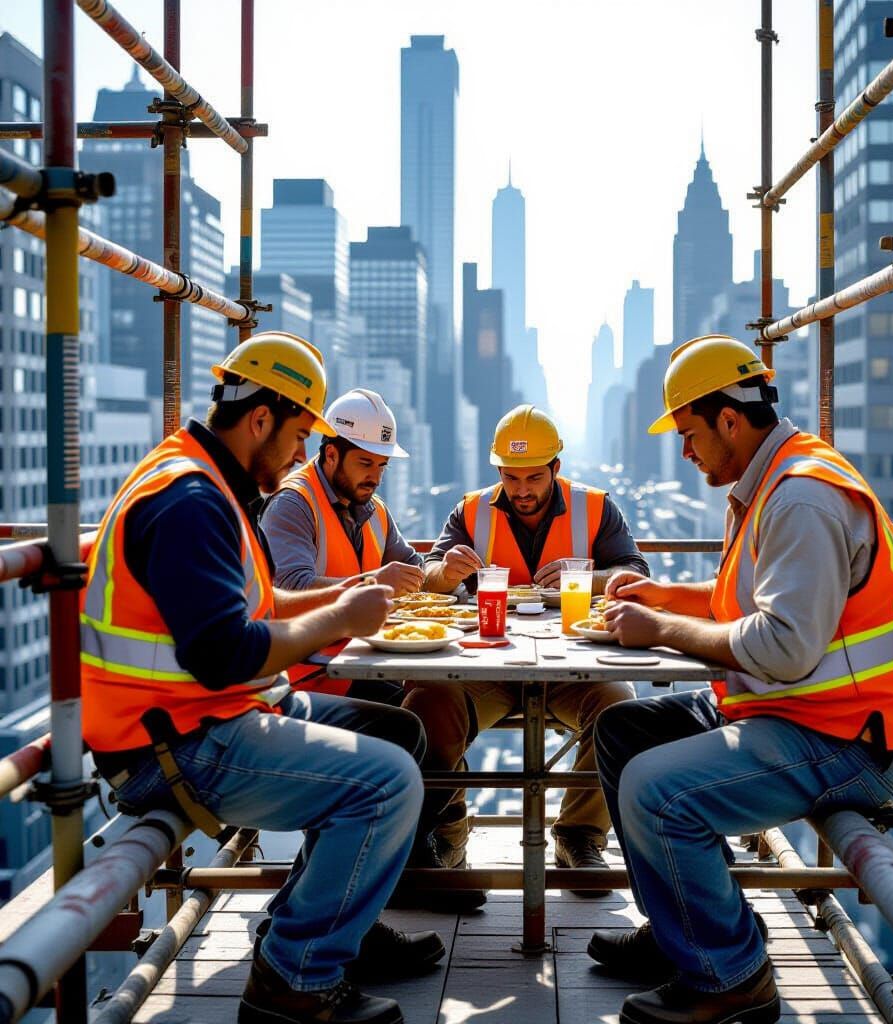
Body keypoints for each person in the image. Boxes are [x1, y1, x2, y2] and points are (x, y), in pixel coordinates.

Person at [80, 332, 444, 1024]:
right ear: (260, 419)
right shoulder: (191, 501)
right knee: (386, 782)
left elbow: (263, 606)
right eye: (301, 435)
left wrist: (352, 599)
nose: (303, 454)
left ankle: (313, 926)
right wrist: (341, 614)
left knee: (395, 729)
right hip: (174, 745)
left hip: (199, 717)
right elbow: (228, 653)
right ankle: (293, 981)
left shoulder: (206, 482)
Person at [584, 336, 893, 1024]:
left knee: (655, 790)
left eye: (690, 434)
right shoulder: (771, 481)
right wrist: (662, 597)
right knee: (624, 730)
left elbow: (782, 646)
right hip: (805, 713)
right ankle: (681, 935)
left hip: (854, 739)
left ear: (729, 419)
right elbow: (751, 606)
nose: (685, 453)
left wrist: (659, 631)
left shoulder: (799, 498)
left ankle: (730, 979)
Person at [401, 404, 650, 907]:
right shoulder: (470, 511)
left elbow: (635, 575)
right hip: (485, 663)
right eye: (511, 478)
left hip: (570, 666)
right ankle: (444, 841)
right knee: (427, 702)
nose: (522, 490)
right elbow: (427, 577)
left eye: (534, 476)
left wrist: (589, 578)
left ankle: (578, 837)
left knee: (618, 707)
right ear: (497, 472)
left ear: (556, 467)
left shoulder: (597, 508)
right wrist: (446, 573)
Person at [261, 388, 425, 702]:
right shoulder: (292, 504)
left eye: (382, 466)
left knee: (439, 700)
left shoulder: (373, 508)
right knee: (418, 717)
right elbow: (290, 590)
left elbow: (412, 568)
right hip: (307, 676)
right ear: (331, 454)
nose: (375, 477)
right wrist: (372, 583)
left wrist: (444, 574)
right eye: (365, 463)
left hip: (357, 661)